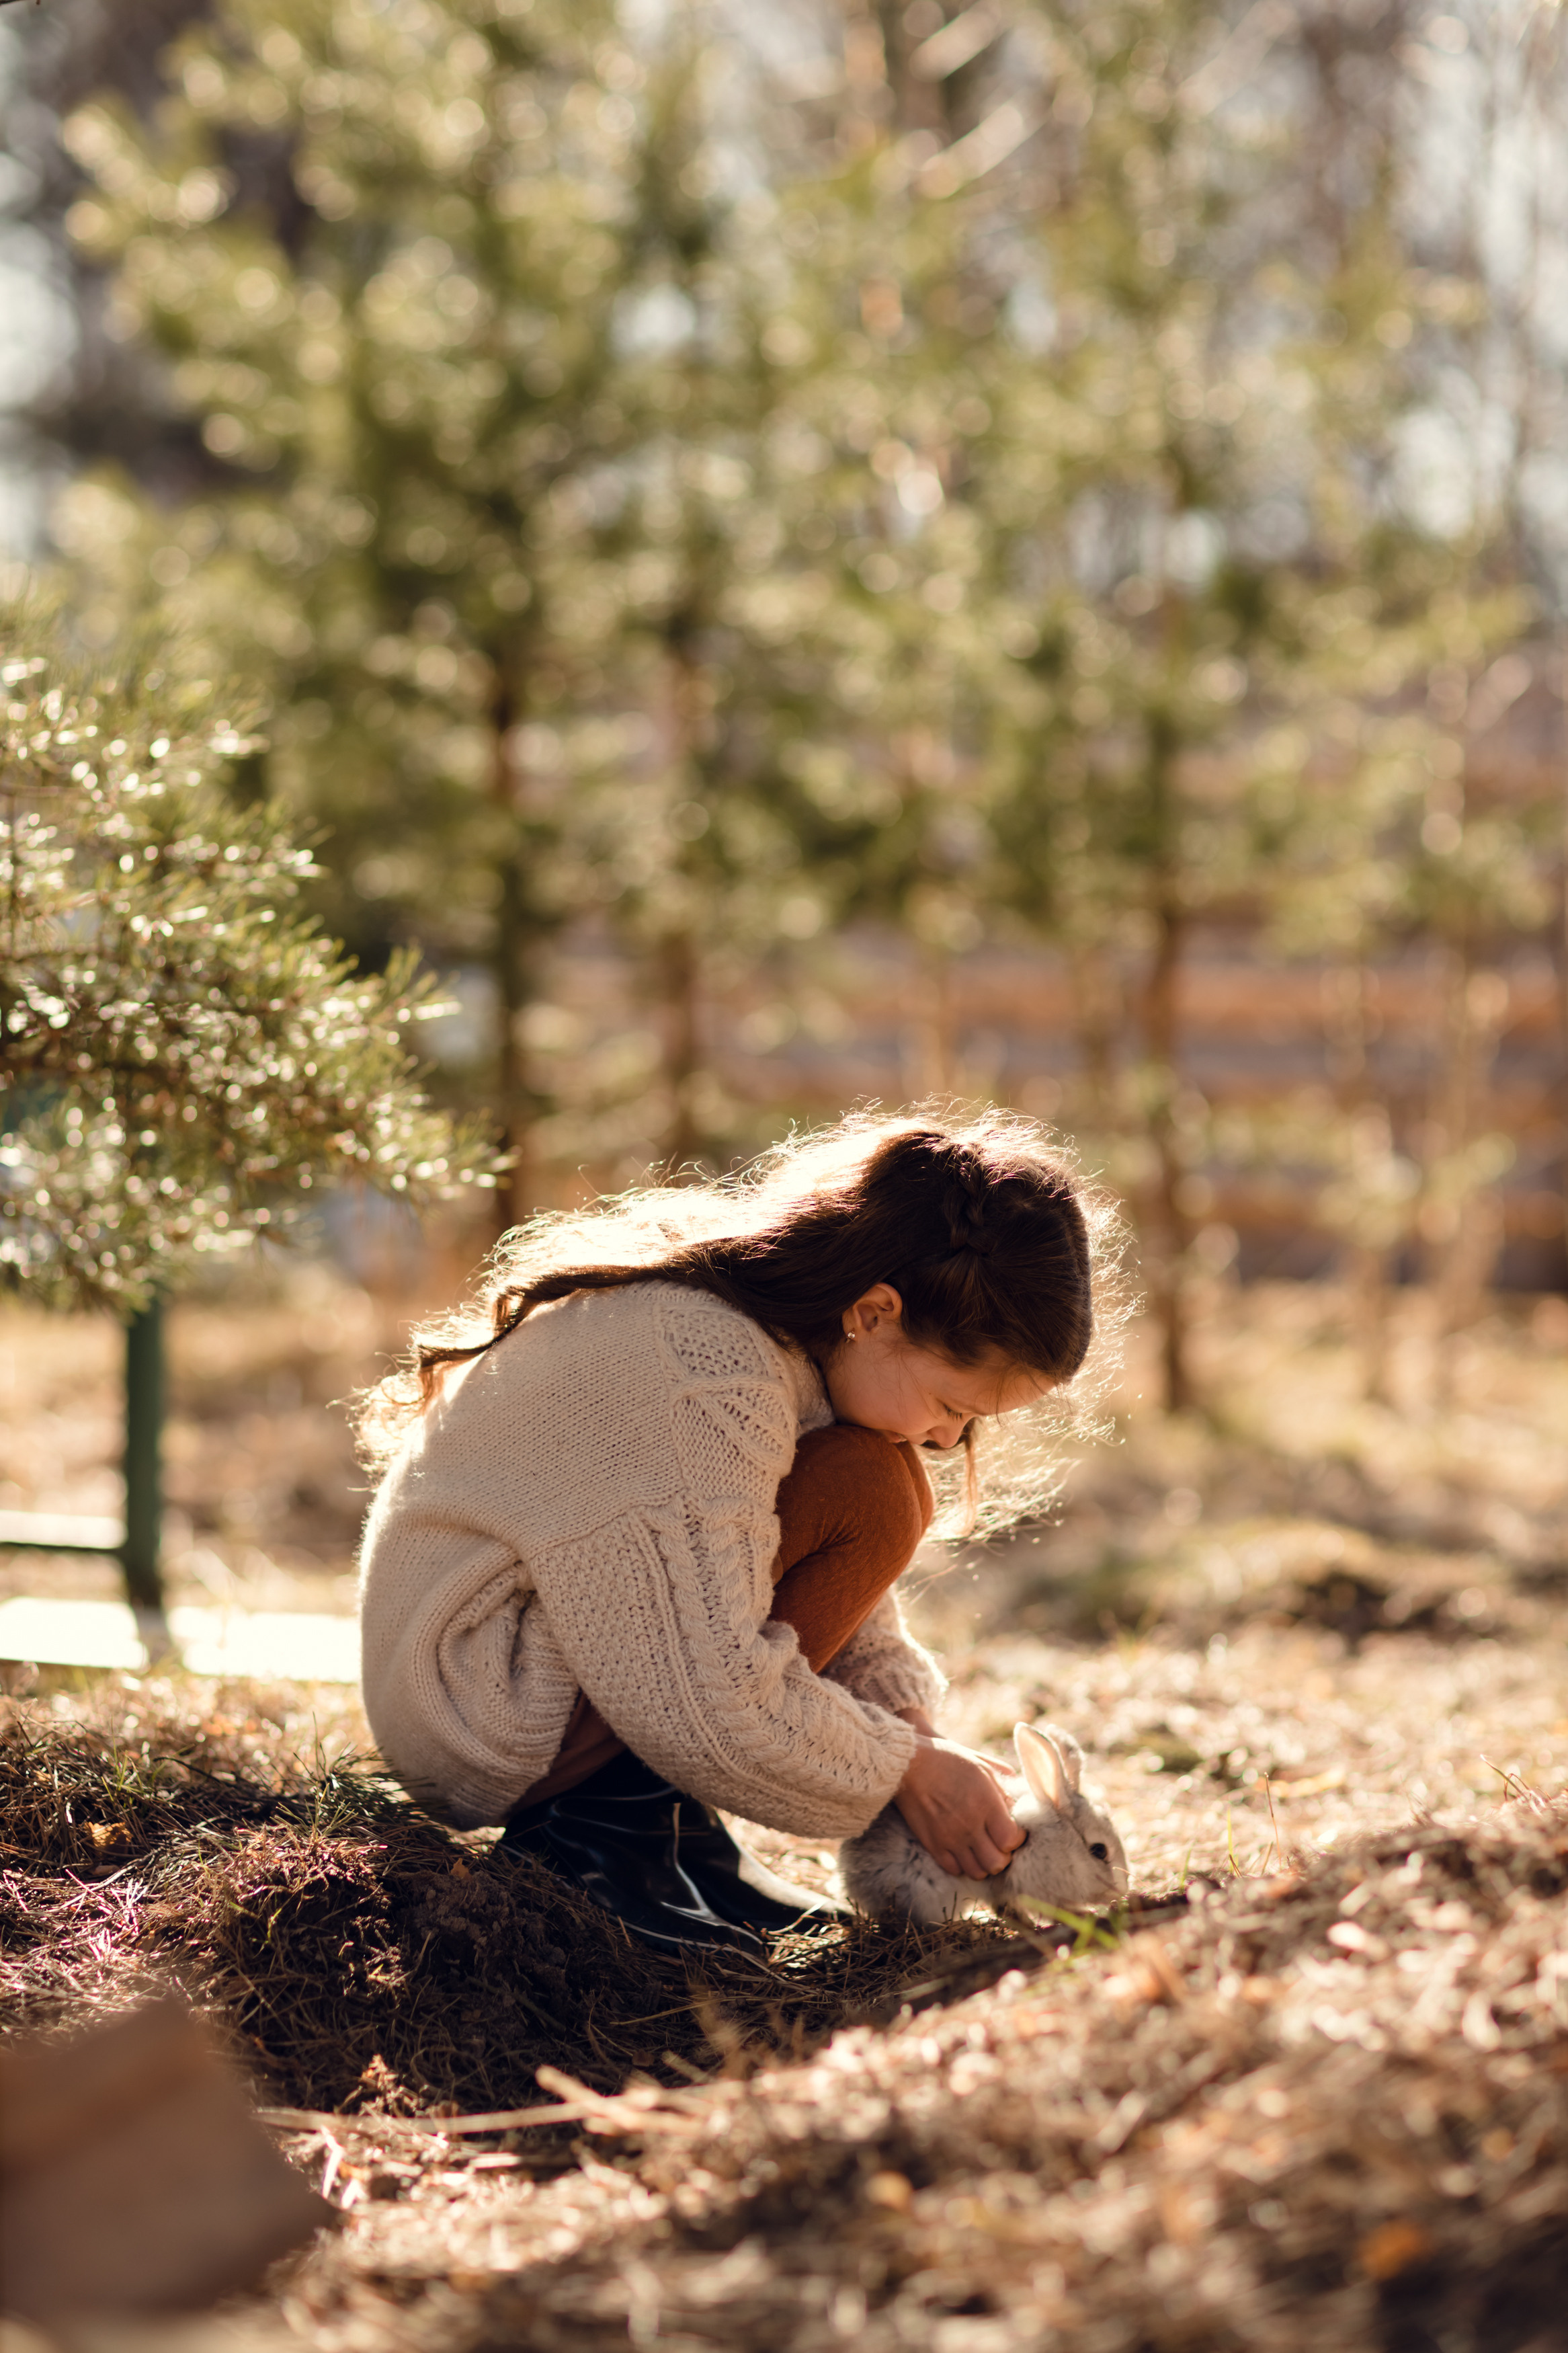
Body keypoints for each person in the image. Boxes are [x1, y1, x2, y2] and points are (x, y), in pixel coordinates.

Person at [356, 1109, 1116, 1955]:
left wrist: (915, 1734)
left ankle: (670, 1830)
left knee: (875, 1483)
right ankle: (600, 1843)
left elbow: (783, 1585)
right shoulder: (705, 1369)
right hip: (478, 1702)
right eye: (950, 1405)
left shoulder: (777, 1345)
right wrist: (899, 1766)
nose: (946, 1438)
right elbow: (704, 1685)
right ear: (875, 1311)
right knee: (875, 1486)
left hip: (535, 1663)